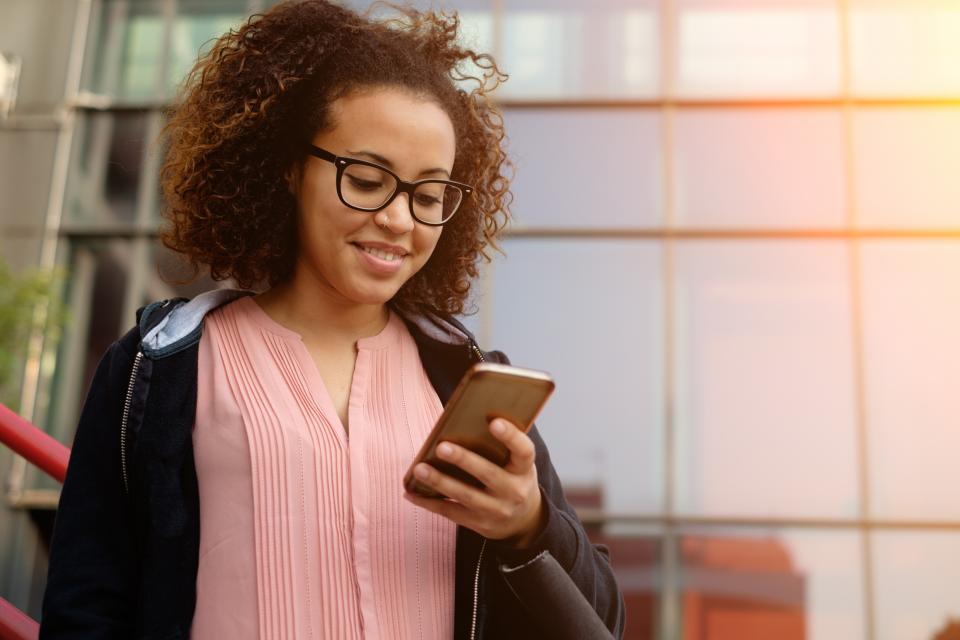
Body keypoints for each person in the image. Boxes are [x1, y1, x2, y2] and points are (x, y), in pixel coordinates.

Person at [40, 1, 624, 638]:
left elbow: (603, 621)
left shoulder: (463, 381)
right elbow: (85, 607)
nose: (400, 220)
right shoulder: (156, 370)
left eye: (428, 196)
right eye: (368, 181)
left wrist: (528, 523)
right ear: (288, 167)